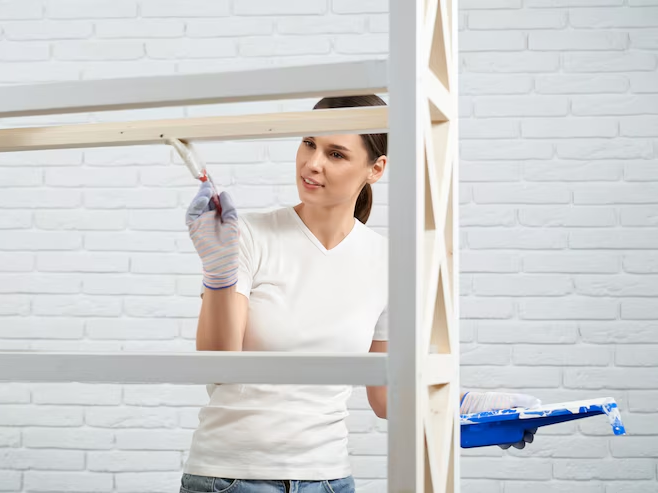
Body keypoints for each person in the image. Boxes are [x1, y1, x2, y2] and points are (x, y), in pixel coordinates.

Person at [171, 95, 539, 493]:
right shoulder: (246, 235)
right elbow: (217, 365)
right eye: (309, 143)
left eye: (336, 153)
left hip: (328, 480)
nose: (313, 163)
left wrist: (471, 409)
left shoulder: (388, 261)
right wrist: (219, 272)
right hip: (230, 478)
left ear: (375, 168)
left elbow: (385, 397)